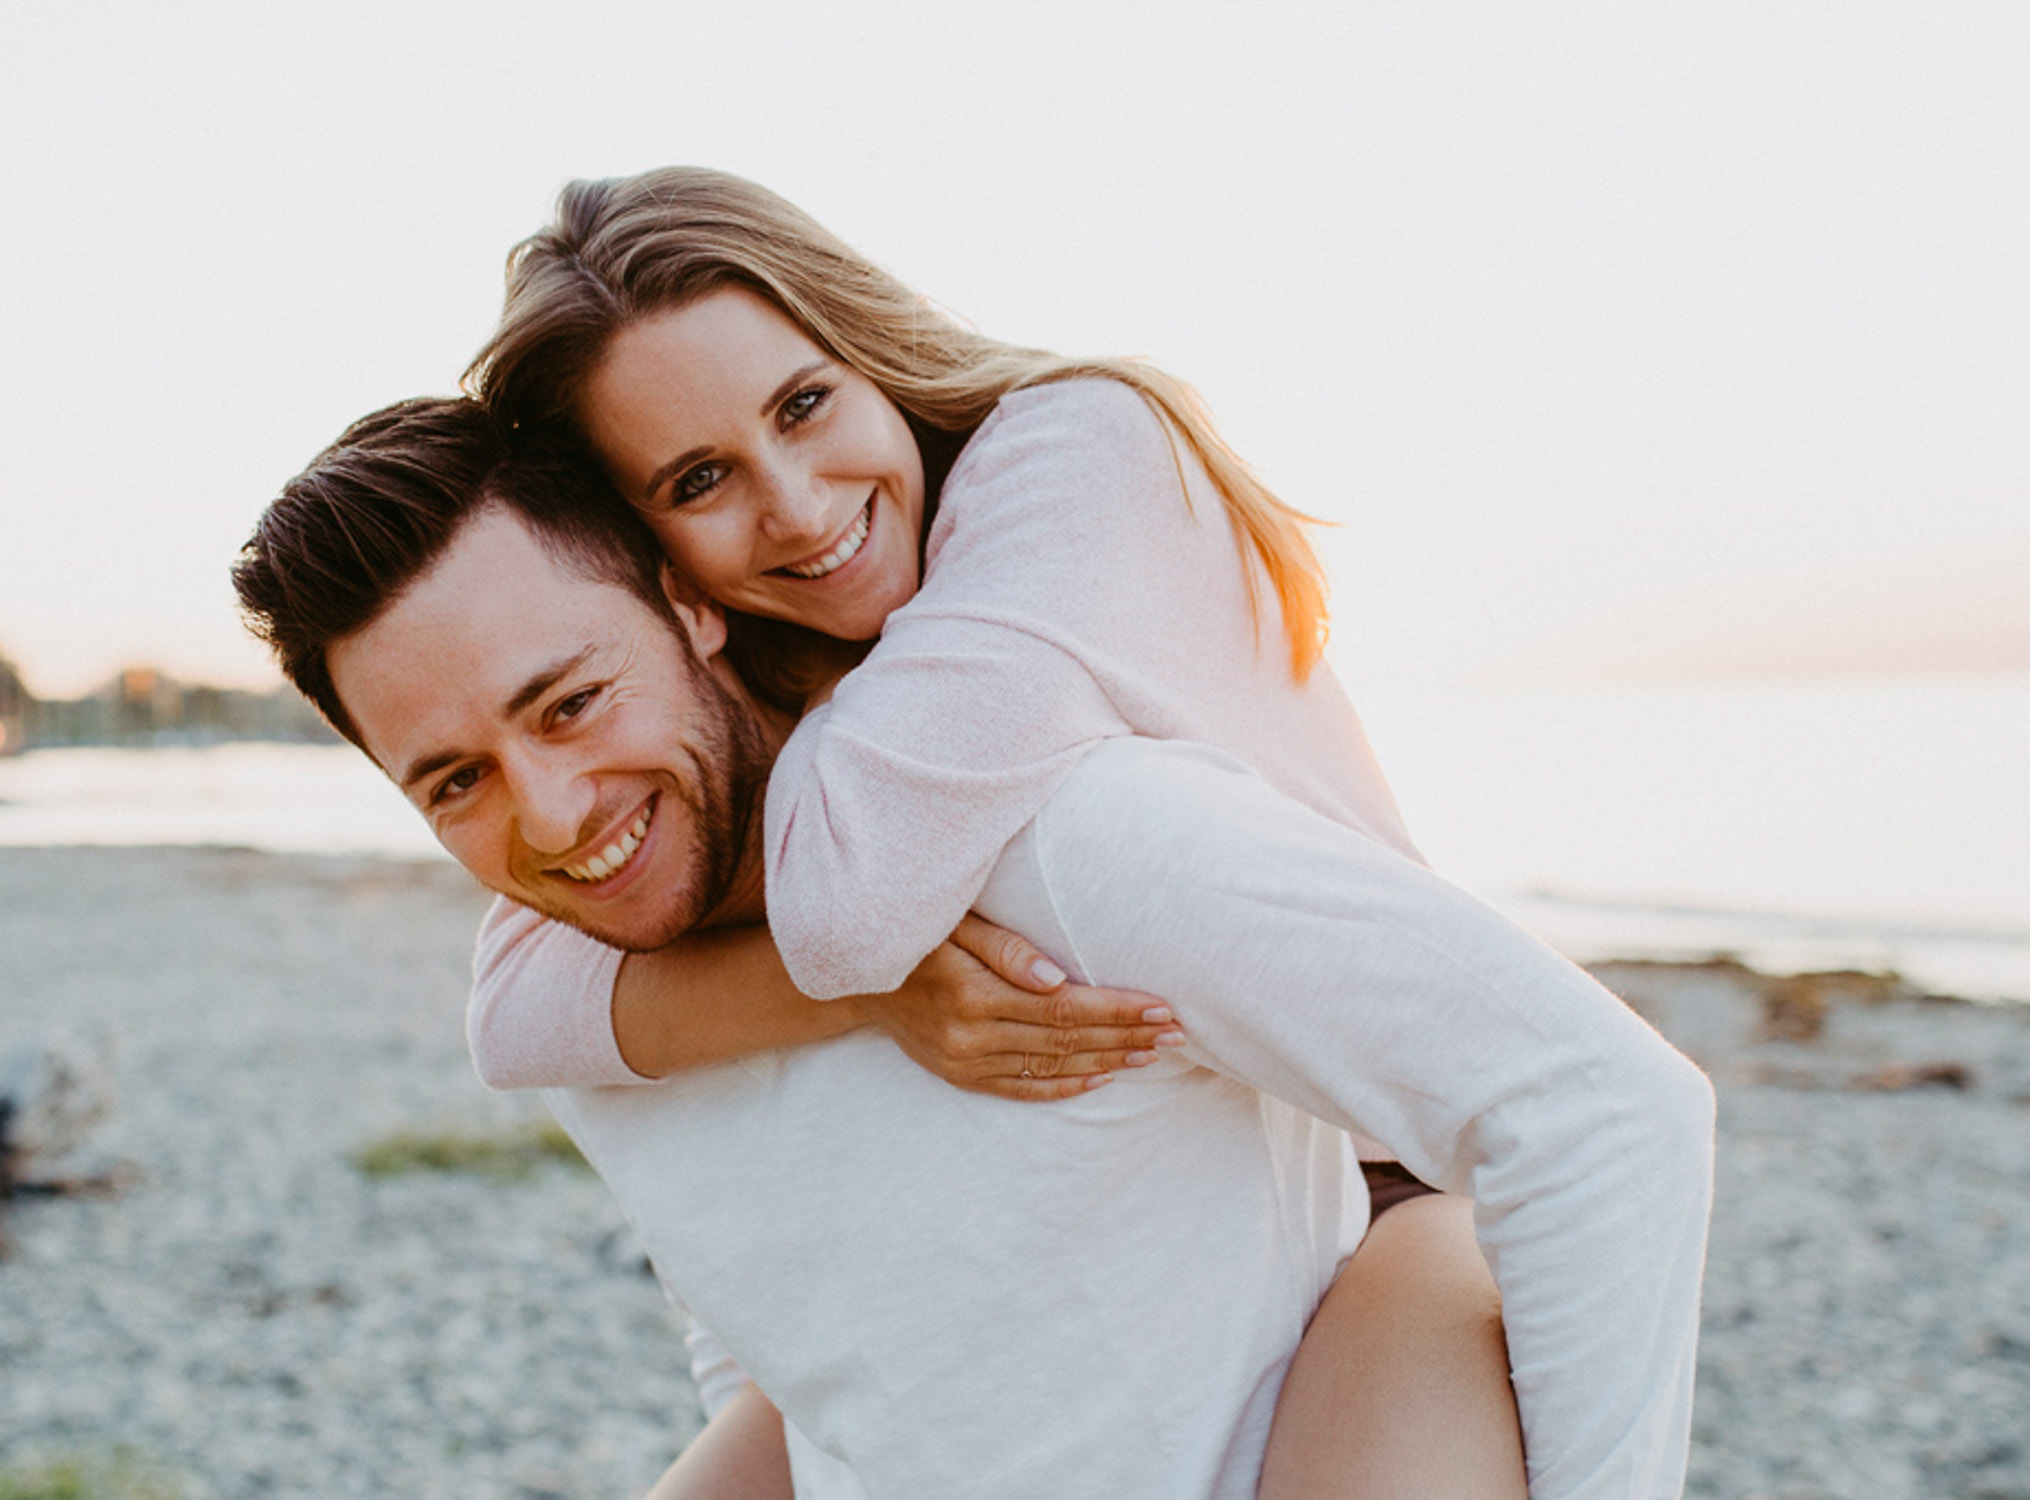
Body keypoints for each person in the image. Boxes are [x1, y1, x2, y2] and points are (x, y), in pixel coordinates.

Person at [455, 168, 1705, 1492]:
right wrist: (871, 1004)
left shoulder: (1075, 455)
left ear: (869, 347)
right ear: (644, 545)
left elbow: (843, 908)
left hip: (1383, 1189)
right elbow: (515, 1007)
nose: (801, 506)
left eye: (803, 404)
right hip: (1122, 1241)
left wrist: (864, 966)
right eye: (700, 478)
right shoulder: (789, 667)